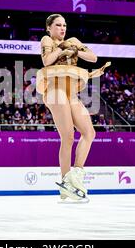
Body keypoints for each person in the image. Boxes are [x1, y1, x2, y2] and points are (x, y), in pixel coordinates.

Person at [37, 14, 108, 202]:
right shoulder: (47, 40)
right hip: (54, 89)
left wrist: (74, 48)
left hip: (70, 91)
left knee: (89, 132)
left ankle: (75, 174)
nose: (62, 28)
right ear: (49, 28)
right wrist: (61, 48)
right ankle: (65, 182)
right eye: (58, 25)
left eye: (64, 25)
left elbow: (92, 57)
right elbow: (47, 61)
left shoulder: (73, 41)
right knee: (68, 136)